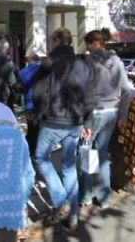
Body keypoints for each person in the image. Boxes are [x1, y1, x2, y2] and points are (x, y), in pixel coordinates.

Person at [33, 27, 95, 231]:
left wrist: (39, 114)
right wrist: (87, 123)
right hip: (75, 122)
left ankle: (61, 201)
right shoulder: (82, 63)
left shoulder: (49, 61)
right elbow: (89, 96)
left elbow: (38, 92)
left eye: (52, 40)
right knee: (69, 167)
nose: (50, 44)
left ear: (59, 40)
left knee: (41, 159)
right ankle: (73, 215)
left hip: (53, 120)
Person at [80, 28, 131, 208]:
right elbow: (126, 90)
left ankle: (86, 195)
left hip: (95, 113)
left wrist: (85, 122)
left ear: (95, 43)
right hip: (113, 112)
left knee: (87, 153)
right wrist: (122, 116)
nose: (86, 48)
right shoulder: (117, 61)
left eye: (88, 44)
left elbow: (86, 94)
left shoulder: (89, 62)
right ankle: (104, 198)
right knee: (101, 153)